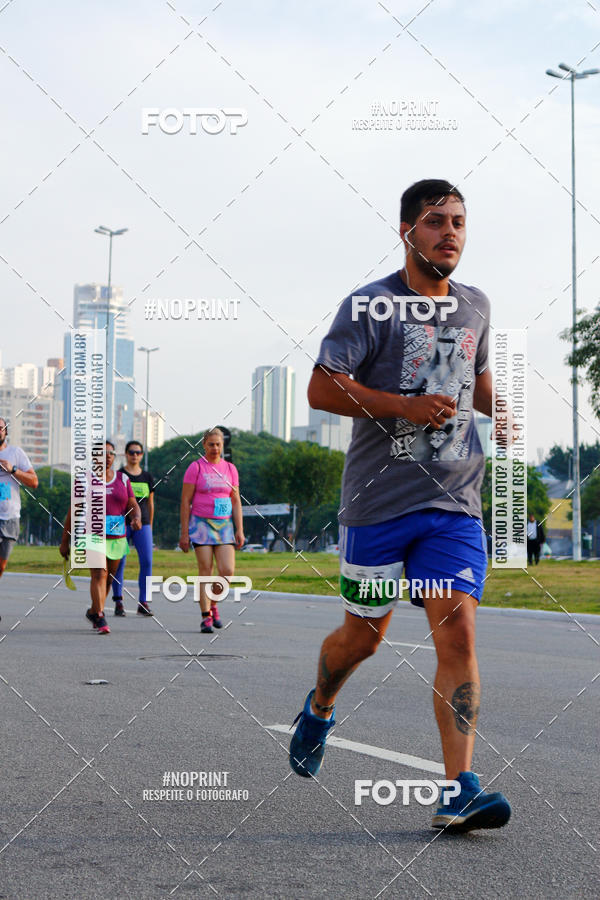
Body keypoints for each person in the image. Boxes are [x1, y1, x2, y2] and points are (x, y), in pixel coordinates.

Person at [289, 179, 512, 832]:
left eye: (461, 223)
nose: (452, 233)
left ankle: (458, 788)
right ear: (407, 231)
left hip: (452, 500)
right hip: (378, 502)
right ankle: (321, 705)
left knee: (459, 628)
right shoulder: (369, 306)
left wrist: (503, 410)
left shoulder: (475, 306)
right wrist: (404, 406)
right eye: (437, 221)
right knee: (364, 638)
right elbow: (322, 388)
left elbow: (473, 377)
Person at [59, 441, 141, 635]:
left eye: (110, 453)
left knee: (109, 579)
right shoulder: (84, 479)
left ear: (114, 457)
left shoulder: (123, 480)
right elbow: (73, 512)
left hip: (117, 536)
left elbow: (132, 504)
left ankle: (94, 611)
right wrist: (65, 541)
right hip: (92, 534)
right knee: (99, 574)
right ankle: (101, 616)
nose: (107, 456)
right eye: (102, 453)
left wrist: (136, 517)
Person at [179, 428, 244, 633]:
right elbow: (185, 501)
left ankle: (213, 603)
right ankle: (205, 616)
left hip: (224, 525)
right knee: (205, 570)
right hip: (201, 524)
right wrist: (184, 533)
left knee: (227, 571)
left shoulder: (230, 469)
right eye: (211, 444)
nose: (215, 448)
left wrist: (239, 529)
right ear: (204, 445)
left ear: (222, 445)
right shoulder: (196, 468)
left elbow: (236, 501)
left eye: (218, 444)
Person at [0, 417, 38, 620]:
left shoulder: (15, 453)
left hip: (10, 516)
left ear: (6, 432)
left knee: (2, 565)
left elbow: (34, 481)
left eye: (0, 428)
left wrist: (13, 469)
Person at [111, 440, 155, 616]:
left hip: (142, 523)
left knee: (147, 562)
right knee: (119, 561)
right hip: (121, 523)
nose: (134, 455)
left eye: (138, 452)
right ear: (126, 454)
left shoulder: (147, 477)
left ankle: (143, 602)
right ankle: (118, 601)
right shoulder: (119, 475)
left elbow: (151, 503)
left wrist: (150, 524)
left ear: (142, 455)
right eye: (131, 452)